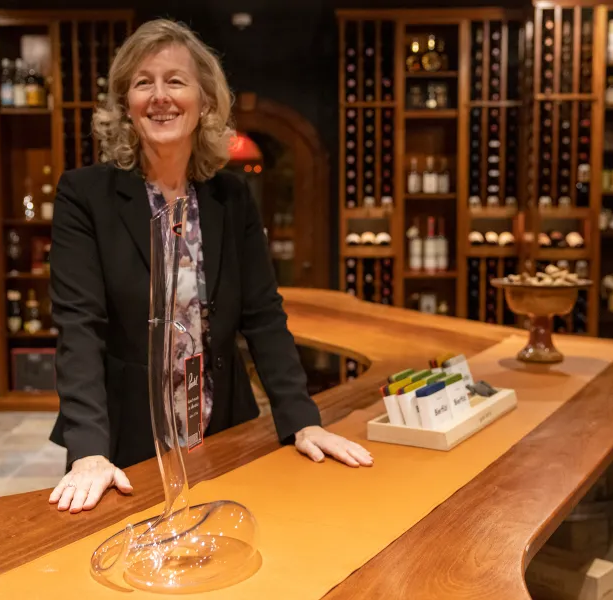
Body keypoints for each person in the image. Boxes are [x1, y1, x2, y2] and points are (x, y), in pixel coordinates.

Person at [47, 18, 373, 514]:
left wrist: (302, 419)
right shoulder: (84, 195)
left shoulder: (231, 197)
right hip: (124, 438)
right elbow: (79, 327)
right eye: (143, 82)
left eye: (175, 80)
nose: (160, 96)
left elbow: (263, 315)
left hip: (224, 428)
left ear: (204, 102)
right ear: (126, 105)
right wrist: (89, 449)